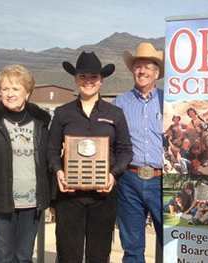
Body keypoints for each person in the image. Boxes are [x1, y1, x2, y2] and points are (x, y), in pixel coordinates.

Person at [47, 51, 133, 262]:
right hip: (69, 195)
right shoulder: (62, 113)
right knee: (68, 255)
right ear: (75, 79)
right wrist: (58, 172)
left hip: (103, 195)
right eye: (83, 77)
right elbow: (51, 150)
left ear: (101, 80)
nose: (88, 81)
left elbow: (125, 151)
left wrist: (113, 174)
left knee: (98, 255)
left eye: (93, 77)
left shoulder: (115, 114)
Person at [0, 64, 51, 262]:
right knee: (3, 257)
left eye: (16, 88)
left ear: (27, 92)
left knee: (24, 257)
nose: (10, 94)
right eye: (5, 89)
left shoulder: (41, 123)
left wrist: (50, 201)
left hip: (32, 204)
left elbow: (48, 162)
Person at [112, 42, 164, 262]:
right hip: (129, 181)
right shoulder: (119, 103)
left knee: (173, 243)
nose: (142, 71)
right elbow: (112, 143)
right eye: (138, 66)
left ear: (157, 72)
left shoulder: (168, 101)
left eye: (147, 67)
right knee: (132, 248)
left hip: (163, 181)